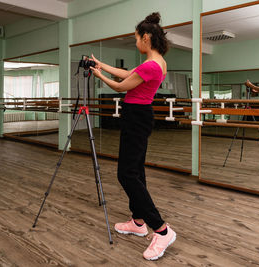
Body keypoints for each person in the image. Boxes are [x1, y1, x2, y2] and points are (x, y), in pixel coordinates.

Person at [89, 12, 176, 260]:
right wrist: (101, 64)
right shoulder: (157, 62)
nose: (135, 42)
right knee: (136, 171)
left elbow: (119, 85)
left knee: (126, 173)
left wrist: (99, 76)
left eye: (136, 38)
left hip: (136, 116)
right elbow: (126, 73)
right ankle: (138, 222)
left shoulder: (150, 65)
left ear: (146, 38)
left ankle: (161, 229)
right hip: (139, 115)